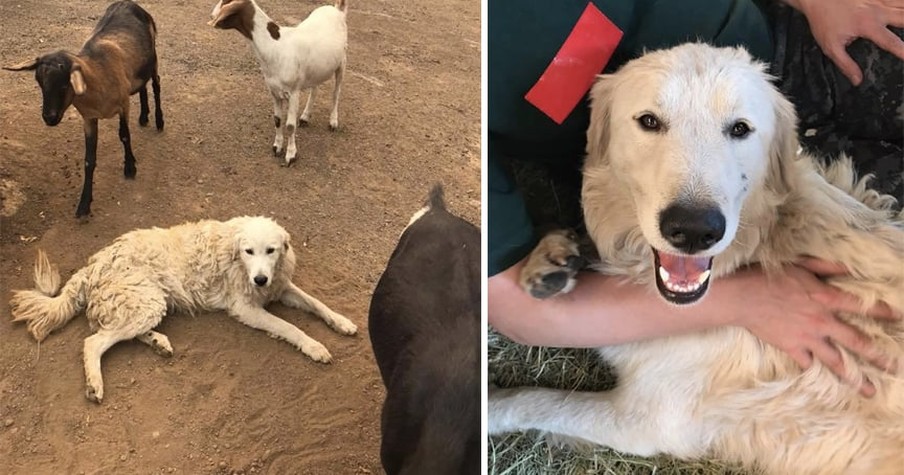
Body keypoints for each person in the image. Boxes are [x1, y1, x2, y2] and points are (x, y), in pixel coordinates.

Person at [488, 0, 904, 396]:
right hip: (734, 185)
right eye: (651, 120)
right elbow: (516, 308)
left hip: (789, 48)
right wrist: (745, 299)